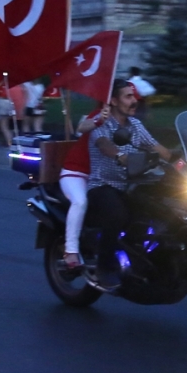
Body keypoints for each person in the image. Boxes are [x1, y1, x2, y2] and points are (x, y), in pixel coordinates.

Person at [87, 79, 172, 289]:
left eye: (134, 96)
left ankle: (148, 258)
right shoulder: (101, 124)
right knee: (117, 215)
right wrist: (121, 156)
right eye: (128, 96)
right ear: (114, 101)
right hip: (103, 185)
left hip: (131, 185)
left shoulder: (135, 125)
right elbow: (105, 146)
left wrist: (179, 160)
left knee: (165, 208)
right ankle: (104, 267)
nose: (134, 101)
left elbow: (156, 147)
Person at [59, 103, 111, 269]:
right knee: (80, 201)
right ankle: (71, 251)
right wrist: (99, 120)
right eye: (127, 97)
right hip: (76, 172)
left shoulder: (131, 123)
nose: (132, 103)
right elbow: (82, 127)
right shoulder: (101, 114)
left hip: (101, 177)